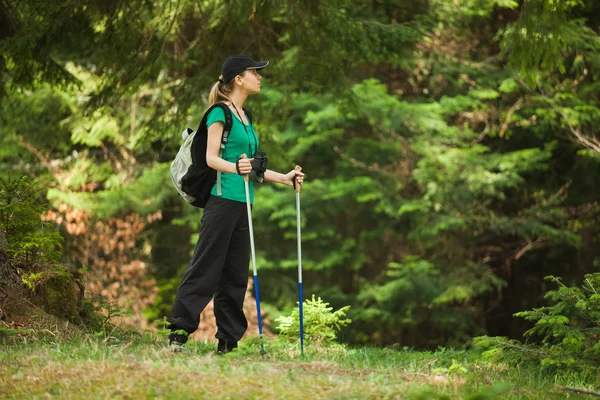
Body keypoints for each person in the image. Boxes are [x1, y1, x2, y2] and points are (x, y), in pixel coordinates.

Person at [167, 55, 304, 353]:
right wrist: (236, 168)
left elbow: (250, 167)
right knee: (205, 268)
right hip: (221, 201)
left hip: (244, 204)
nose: (260, 77)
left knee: (235, 275)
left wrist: (285, 178)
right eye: (255, 73)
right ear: (238, 79)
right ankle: (179, 331)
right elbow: (211, 158)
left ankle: (227, 342)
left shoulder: (246, 117)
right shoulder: (220, 113)